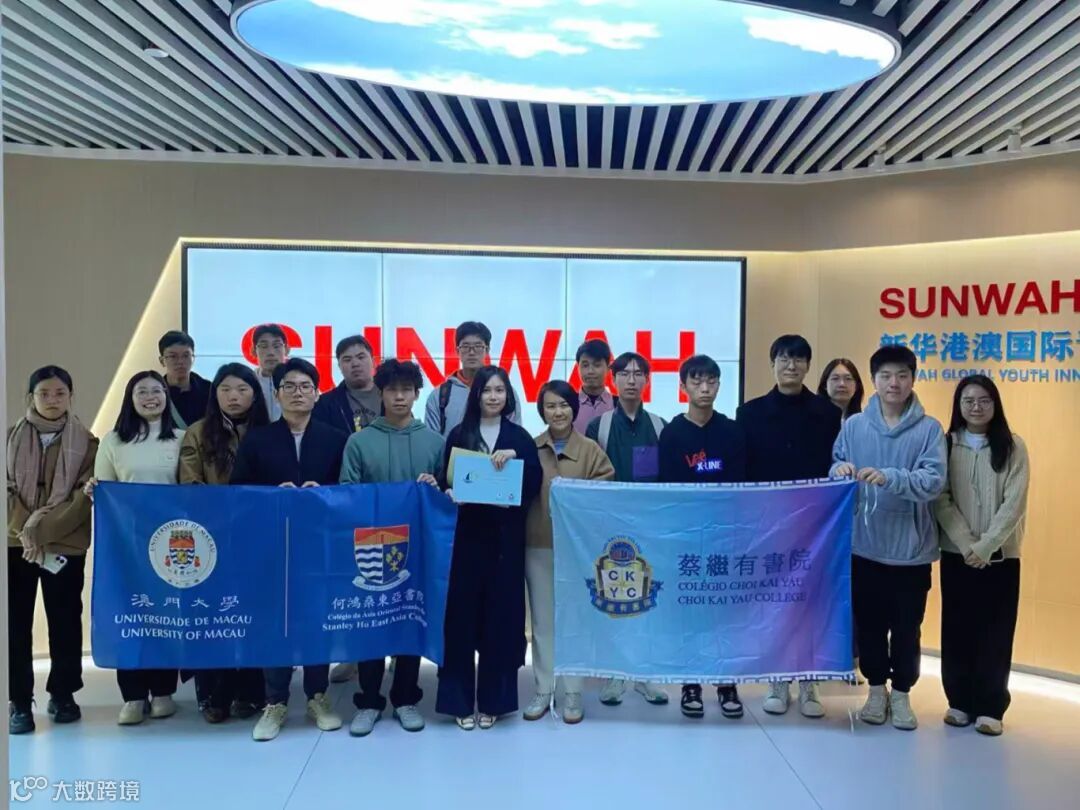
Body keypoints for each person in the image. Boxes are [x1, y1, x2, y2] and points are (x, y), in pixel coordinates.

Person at [230, 358, 348, 742]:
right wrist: (270, 496)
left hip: (319, 546)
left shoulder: (335, 438)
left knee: (317, 618)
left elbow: (350, 491)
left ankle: (317, 696)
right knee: (275, 621)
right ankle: (275, 701)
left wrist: (324, 494)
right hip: (273, 546)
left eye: (305, 386)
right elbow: (237, 490)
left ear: (317, 393)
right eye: (290, 387)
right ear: (277, 395)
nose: (298, 393)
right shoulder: (258, 439)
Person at [831, 345, 946, 731]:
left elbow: (933, 481)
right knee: (870, 626)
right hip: (864, 547)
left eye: (901, 375)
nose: (893, 383)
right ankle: (876, 691)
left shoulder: (929, 429)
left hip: (911, 552)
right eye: (885, 376)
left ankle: (902, 694)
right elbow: (836, 462)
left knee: (907, 629)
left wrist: (890, 477)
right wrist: (838, 469)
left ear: (913, 379)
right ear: (874, 380)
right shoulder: (854, 426)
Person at [339, 359, 446, 737]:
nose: (399, 397)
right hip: (369, 549)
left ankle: (405, 697)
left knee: (410, 619)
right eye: (392, 390)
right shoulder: (359, 442)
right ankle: (368, 701)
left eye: (406, 390)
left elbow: (448, 498)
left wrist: (435, 487)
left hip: (416, 549)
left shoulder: (435, 442)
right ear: (380, 394)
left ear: (417, 394)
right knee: (371, 622)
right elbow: (346, 494)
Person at [736, 335, 841, 719]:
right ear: (773, 364)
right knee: (775, 604)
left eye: (798, 359)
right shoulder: (749, 413)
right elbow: (744, 471)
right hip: (769, 525)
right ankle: (778, 679)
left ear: (808, 366)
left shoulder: (827, 413)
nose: (791, 366)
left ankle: (809, 682)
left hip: (816, 526)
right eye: (783, 358)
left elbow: (835, 465)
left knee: (811, 603)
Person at [436, 367, 541, 730]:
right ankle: (459, 702)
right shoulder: (459, 434)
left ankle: (495, 701)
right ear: (476, 395)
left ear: (508, 396)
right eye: (486, 390)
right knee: (460, 621)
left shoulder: (520, 438)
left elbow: (532, 484)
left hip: (504, 542)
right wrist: (449, 491)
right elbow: (445, 478)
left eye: (500, 390)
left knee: (501, 621)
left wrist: (515, 462)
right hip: (465, 541)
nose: (493, 396)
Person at [86, 371, 184, 726]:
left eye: (157, 390)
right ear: (130, 398)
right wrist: (93, 490)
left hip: (172, 544)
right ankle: (132, 695)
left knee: (166, 614)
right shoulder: (113, 441)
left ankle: (163, 692)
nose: (150, 397)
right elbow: (105, 489)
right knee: (129, 614)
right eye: (142, 391)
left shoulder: (183, 438)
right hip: (126, 543)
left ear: (167, 397)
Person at [934, 374, 1029, 737]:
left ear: (995, 404)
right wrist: (966, 543)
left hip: (1001, 557)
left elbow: (1014, 503)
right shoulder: (946, 444)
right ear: (959, 405)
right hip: (956, 554)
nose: (976, 407)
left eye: (984, 400)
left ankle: (990, 707)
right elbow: (940, 497)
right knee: (957, 629)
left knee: (996, 631)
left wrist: (986, 545)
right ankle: (959, 701)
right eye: (968, 400)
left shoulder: (1013, 446)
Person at [7, 366, 97, 735]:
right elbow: (6, 490)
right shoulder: (9, 438)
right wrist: (25, 530)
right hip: (15, 543)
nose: (52, 400)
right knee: (14, 623)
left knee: (65, 621)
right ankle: (18, 700)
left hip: (66, 544)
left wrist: (41, 532)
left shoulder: (87, 443)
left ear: (70, 396)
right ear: (31, 397)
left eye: (60, 393)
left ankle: (63, 694)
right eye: (44, 393)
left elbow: (81, 498)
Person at [178, 363, 269, 724]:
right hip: (210, 538)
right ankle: (213, 693)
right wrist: (223, 516)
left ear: (255, 395)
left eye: (242, 389)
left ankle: (251, 691)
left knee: (252, 614)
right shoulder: (197, 432)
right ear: (214, 394)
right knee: (212, 616)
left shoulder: (267, 432)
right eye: (226, 389)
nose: (234, 396)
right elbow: (190, 484)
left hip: (257, 536)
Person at [658, 355, 746, 721]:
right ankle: (690, 683)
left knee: (724, 612)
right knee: (689, 613)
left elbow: (743, 487)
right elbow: (665, 491)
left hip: (725, 537)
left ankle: (726, 683)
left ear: (719, 385)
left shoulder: (733, 432)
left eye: (711, 381)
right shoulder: (672, 434)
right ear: (683, 387)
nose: (705, 388)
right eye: (696, 381)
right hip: (686, 538)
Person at [524, 380, 614, 724]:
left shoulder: (590, 450)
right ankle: (543, 689)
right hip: (538, 544)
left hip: (578, 550)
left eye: (563, 405)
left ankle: (573, 692)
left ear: (573, 409)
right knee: (542, 622)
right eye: (550, 406)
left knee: (575, 620)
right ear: (542, 411)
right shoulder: (530, 448)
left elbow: (606, 491)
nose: (558, 412)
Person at [584, 352, 668, 708]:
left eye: (638, 374)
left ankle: (645, 675)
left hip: (649, 529)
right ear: (613, 379)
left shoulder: (661, 426)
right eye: (624, 374)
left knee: (648, 602)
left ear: (647, 380)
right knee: (614, 600)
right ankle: (615, 673)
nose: (631, 380)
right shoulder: (598, 427)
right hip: (610, 531)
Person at [424, 321, 521, 436]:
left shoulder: (506, 393)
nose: (471, 352)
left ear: (487, 350)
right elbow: (432, 441)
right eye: (465, 347)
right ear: (457, 351)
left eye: (478, 346)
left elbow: (516, 436)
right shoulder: (439, 396)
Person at [313, 334, 381, 436]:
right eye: (347, 360)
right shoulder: (325, 404)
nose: (355, 364)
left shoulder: (390, 395)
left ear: (373, 361)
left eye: (361, 357)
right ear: (339, 366)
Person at [158, 330, 211, 429]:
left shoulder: (210, 391)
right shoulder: (155, 393)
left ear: (193, 358)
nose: (180, 361)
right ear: (162, 361)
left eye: (186, 356)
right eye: (173, 356)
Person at [573, 339, 615, 434]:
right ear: (578, 367)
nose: (590, 371)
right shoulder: (568, 403)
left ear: (608, 368)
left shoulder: (618, 405)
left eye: (597, 365)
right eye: (585, 365)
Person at [251, 323, 290, 422]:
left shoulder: (300, 381)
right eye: (264, 346)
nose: (271, 352)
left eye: (276, 346)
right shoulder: (248, 382)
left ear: (287, 349)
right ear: (253, 351)